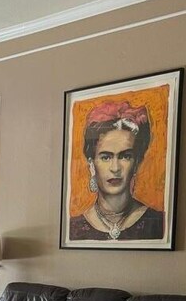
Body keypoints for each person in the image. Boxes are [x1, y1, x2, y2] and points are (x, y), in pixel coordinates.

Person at [69, 100, 164, 241]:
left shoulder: (158, 223)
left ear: (136, 163)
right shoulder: (72, 228)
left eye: (125, 156)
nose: (115, 168)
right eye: (106, 157)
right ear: (92, 165)